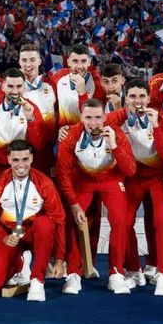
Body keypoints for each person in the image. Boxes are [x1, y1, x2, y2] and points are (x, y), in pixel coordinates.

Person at [54, 98, 137, 294]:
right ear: (81, 117)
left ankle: (116, 272)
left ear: (104, 117)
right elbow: (63, 173)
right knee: (74, 221)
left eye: (98, 117)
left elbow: (130, 170)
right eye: (88, 118)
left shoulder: (116, 133)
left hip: (111, 180)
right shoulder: (71, 135)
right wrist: (73, 204)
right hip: (83, 181)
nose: (93, 123)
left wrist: (114, 145)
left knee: (120, 221)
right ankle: (73, 273)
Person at [106, 79, 163, 295]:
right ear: (126, 98)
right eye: (133, 97)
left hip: (159, 175)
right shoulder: (116, 118)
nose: (138, 102)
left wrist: (157, 127)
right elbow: (92, 126)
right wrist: (66, 130)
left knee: (161, 220)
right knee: (123, 221)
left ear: (149, 98)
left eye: (142, 96)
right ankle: (133, 269)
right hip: (133, 176)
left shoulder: (161, 118)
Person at [0, 140, 64, 301]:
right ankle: (20, 263)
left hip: (35, 233)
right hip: (11, 236)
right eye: (15, 160)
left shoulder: (44, 183)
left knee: (45, 223)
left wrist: (59, 260)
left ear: (32, 158)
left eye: (25, 159)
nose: (21, 165)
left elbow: (59, 221)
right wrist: (3, 236)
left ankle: (37, 280)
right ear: (8, 159)